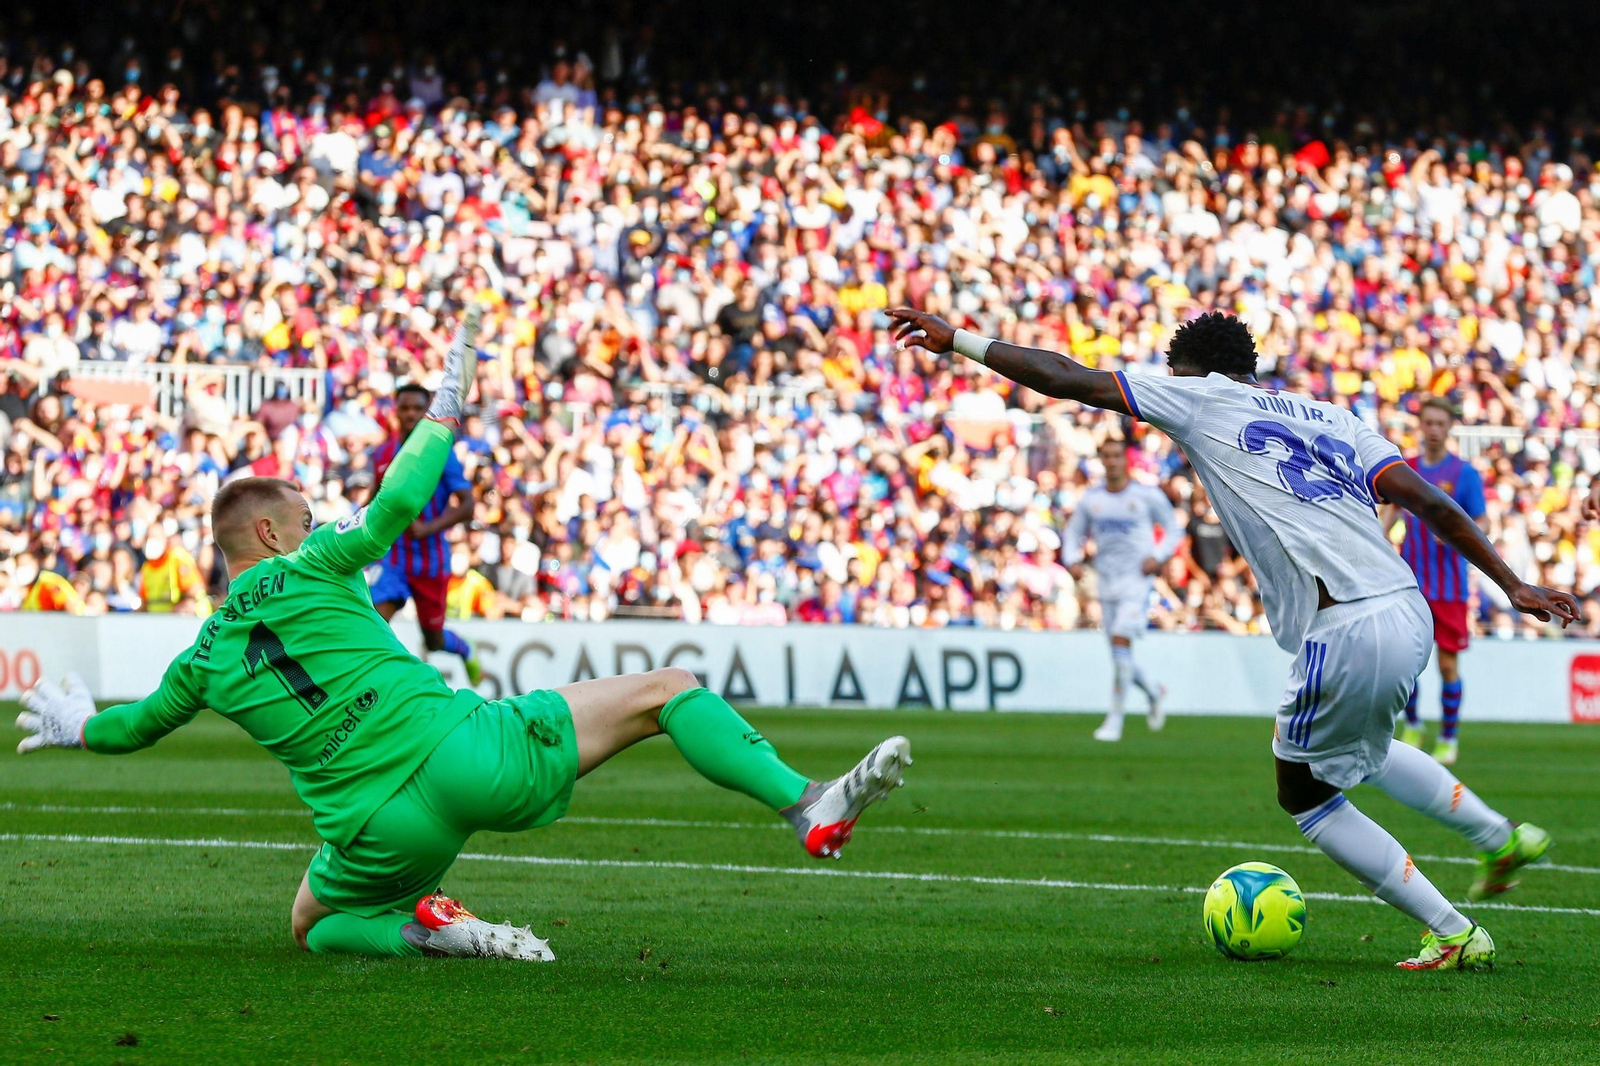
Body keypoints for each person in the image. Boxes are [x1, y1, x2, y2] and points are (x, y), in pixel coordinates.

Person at [16, 312, 911, 960]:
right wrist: (444, 408)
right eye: (305, 514)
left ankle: (430, 929)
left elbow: (131, 729)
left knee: (315, 926)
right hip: (465, 753)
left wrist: (74, 725)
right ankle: (804, 802)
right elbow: (401, 504)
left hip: (378, 830)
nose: (315, 520)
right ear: (269, 536)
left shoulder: (201, 659)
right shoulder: (317, 562)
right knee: (668, 690)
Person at [888, 306, 1575, 971]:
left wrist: (960, 342)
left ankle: (1452, 931)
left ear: (1190, 372)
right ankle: (1499, 837)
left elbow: (1070, 377)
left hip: (1345, 622)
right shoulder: (1334, 417)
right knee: (1362, 756)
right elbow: (1429, 501)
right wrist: (1510, 583)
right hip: (1404, 608)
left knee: (1303, 794)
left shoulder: (1201, 399)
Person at [1383, 398, 1486, 765]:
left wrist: (1458, 533)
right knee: (1406, 661)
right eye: (1428, 422)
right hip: (1411, 582)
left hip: (1450, 588)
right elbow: (1391, 508)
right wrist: (1379, 540)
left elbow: (1482, 522)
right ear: (1420, 425)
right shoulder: (1406, 468)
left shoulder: (1465, 474)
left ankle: (1448, 736)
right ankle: (1412, 722)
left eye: (1440, 423)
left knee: (1446, 666)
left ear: (1450, 427)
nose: (1434, 429)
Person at [1062, 436, 1180, 741]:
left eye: (1117, 455)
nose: (1112, 461)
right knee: (1119, 653)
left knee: (1119, 643)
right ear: (1101, 460)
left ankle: (1114, 721)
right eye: (1107, 456)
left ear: (1125, 459)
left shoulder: (1145, 495)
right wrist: (1073, 561)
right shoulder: (1092, 499)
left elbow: (1173, 528)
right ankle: (1154, 691)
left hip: (1137, 582)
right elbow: (1073, 534)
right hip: (1106, 581)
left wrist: (1159, 557)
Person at [367, 381, 482, 684]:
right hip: (392, 558)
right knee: (376, 620)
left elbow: (468, 506)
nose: (410, 414)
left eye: (418, 408)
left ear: (426, 411)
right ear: (396, 411)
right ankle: (382, 688)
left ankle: (464, 649)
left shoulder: (441, 453)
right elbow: (371, 501)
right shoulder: (382, 454)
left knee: (433, 639)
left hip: (430, 561)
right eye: (404, 407)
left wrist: (428, 528)